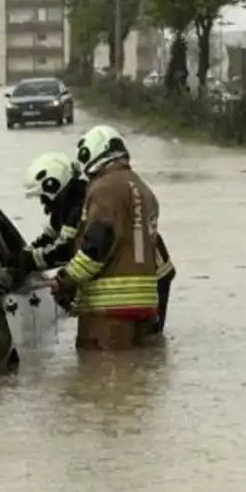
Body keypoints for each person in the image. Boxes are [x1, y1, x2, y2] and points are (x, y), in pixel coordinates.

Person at [21, 146, 176, 334]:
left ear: (53, 185)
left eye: (43, 197)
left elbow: (65, 249)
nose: (44, 205)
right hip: (146, 285)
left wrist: (26, 261)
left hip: (143, 287)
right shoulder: (73, 204)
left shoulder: (81, 207)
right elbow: (48, 239)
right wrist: (23, 253)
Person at [48, 125, 162, 351]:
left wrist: (64, 280)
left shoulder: (105, 188)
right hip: (146, 308)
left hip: (108, 312)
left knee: (99, 379)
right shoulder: (145, 190)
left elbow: (96, 246)